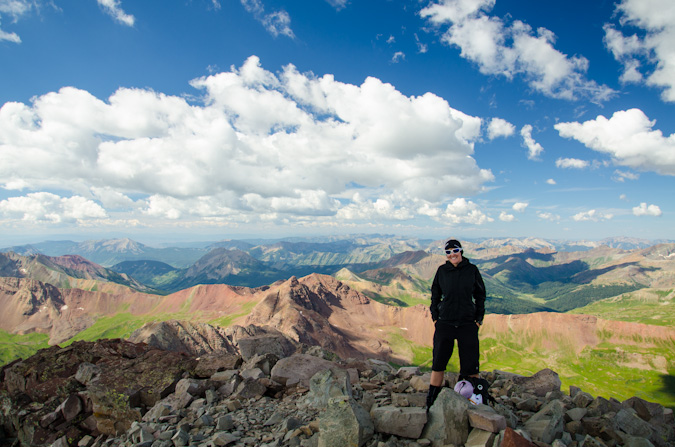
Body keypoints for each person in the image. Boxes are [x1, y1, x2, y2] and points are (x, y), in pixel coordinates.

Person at [426, 238, 486, 409]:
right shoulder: (442, 271)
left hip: (467, 323)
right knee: (439, 361)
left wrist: (478, 318)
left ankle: (471, 401)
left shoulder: (472, 270)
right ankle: (432, 401)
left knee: (470, 363)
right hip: (445, 322)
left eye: (455, 250)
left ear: (461, 251)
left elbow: (481, 294)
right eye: (448, 252)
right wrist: (435, 316)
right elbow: (435, 293)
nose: (452, 254)